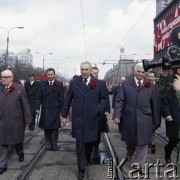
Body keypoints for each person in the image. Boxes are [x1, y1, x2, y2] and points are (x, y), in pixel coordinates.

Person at [61, 61, 108, 180]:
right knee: (80, 143)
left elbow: (104, 100)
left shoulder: (99, 83)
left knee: (90, 143)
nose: (84, 71)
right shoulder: (74, 83)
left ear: (90, 70)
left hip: (93, 119)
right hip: (79, 118)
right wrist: (64, 115)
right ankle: (81, 169)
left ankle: (87, 157)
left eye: (86, 69)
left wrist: (98, 109)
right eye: (82, 69)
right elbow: (68, 100)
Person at [113, 63, 160, 174]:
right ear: (135, 71)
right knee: (131, 142)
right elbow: (119, 100)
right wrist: (117, 115)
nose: (140, 74)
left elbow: (155, 104)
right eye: (139, 72)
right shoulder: (126, 84)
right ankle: (130, 151)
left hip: (145, 118)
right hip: (130, 118)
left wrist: (156, 121)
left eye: (143, 72)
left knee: (143, 142)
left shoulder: (151, 86)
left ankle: (139, 165)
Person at [0, 69, 31, 175]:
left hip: (15, 122)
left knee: (17, 141)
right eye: (2, 77)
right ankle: (2, 165)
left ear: (11, 78)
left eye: (6, 77)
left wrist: (27, 119)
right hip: (2, 122)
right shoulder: (0, 90)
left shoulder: (19, 89)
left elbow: (25, 106)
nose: (3, 79)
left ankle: (20, 152)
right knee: (2, 143)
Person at [36, 68, 64, 151]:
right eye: (49, 74)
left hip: (55, 109)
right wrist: (37, 108)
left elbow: (62, 99)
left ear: (54, 75)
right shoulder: (42, 84)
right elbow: (38, 97)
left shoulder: (59, 84)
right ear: (46, 75)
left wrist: (63, 111)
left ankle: (54, 143)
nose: (50, 76)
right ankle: (47, 144)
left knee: (55, 128)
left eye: (52, 74)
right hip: (45, 109)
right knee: (46, 128)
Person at [157, 67, 180, 164]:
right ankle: (168, 150)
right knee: (174, 139)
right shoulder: (168, 80)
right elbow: (163, 99)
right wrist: (167, 114)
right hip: (173, 115)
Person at [91, 67, 110, 160]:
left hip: (99, 112)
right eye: (94, 73)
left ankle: (96, 145)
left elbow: (106, 97)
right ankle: (90, 146)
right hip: (88, 112)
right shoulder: (85, 83)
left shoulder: (101, 83)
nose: (96, 74)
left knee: (98, 131)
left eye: (97, 73)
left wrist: (106, 109)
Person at [147, 70, 161, 154]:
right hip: (146, 112)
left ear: (155, 77)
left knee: (153, 129)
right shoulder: (145, 86)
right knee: (150, 129)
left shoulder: (158, 87)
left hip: (155, 111)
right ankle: (152, 143)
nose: (150, 78)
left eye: (152, 76)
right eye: (149, 76)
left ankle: (152, 142)